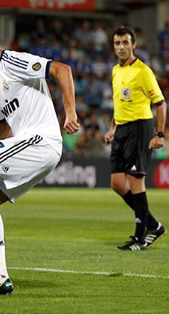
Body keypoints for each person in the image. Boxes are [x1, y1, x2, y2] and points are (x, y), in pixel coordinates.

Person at [0, 19, 79, 295]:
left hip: (41, 141)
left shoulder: (12, 61)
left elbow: (62, 69)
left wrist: (70, 112)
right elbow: (3, 126)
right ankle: (0, 279)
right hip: (30, 145)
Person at [104, 26, 166, 251]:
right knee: (117, 184)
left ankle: (140, 237)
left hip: (140, 128)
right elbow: (119, 102)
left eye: (125, 43)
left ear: (133, 45)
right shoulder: (115, 71)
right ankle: (153, 225)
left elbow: (160, 103)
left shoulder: (143, 71)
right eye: (117, 43)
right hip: (121, 129)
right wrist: (112, 128)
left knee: (135, 181)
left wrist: (159, 134)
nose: (121, 47)